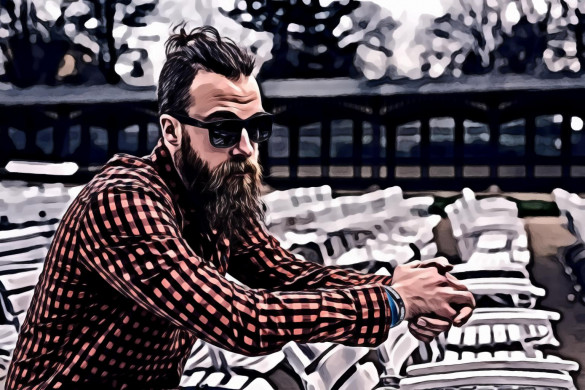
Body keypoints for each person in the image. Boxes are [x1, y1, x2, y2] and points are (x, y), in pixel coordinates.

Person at [6, 26, 474, 389]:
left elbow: (286, 274)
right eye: (225, 130)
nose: (246, 148)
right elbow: (238, 319)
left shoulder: (215, 191)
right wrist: (392, 302)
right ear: (171, 132)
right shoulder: (123, 201)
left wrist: (401, 284)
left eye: (258, 128)